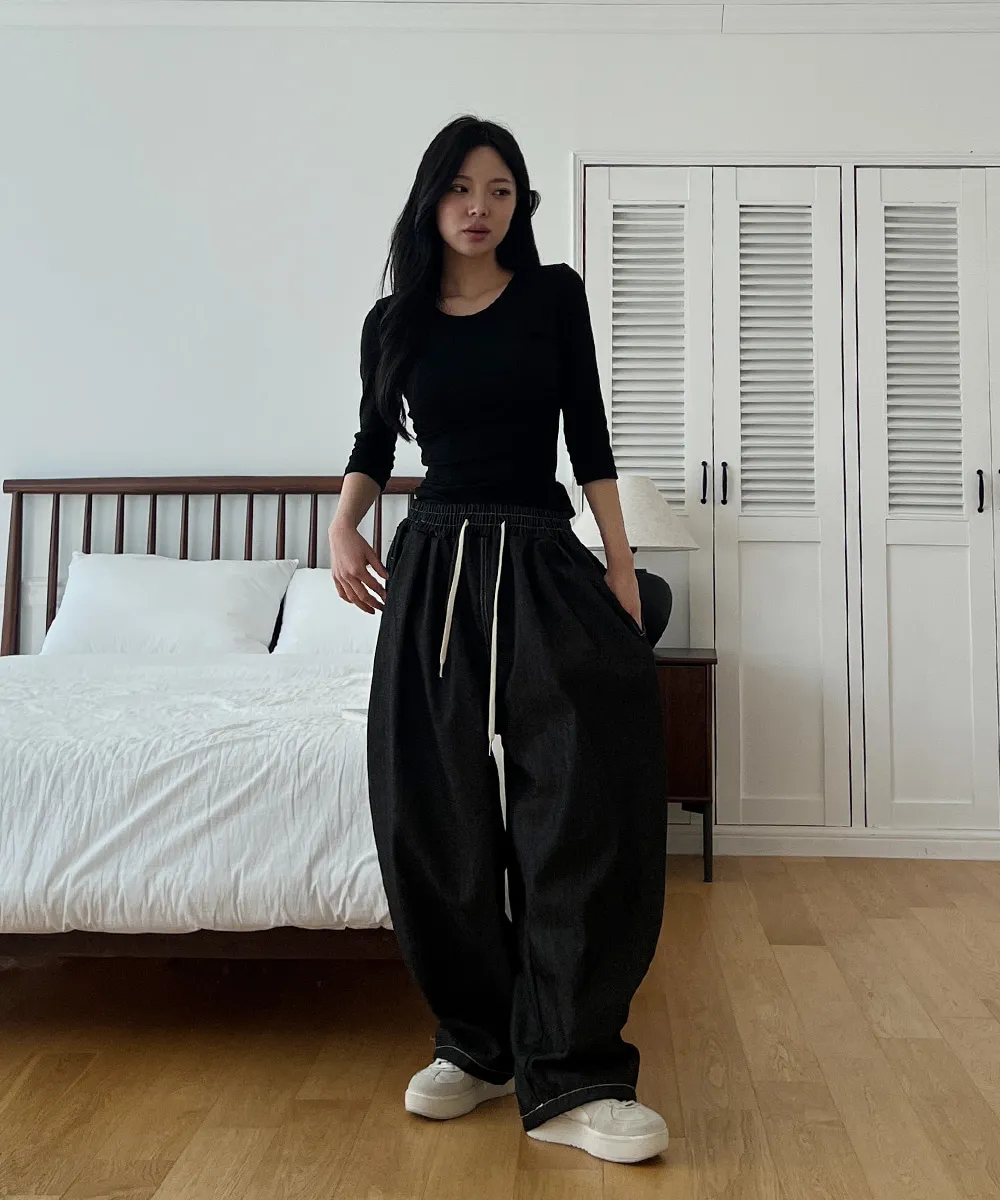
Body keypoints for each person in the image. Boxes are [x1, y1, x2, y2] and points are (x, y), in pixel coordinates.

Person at [329, 115, 669, 1165]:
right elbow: (373, 441)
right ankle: (476, 1046)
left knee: (579, 800)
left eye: (501, 190)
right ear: (430, 199)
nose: (480, 207)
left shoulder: (554, 296)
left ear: (520, 206)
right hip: (432, 566)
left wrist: (620, 564)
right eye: (460, 188)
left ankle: (573, 1071)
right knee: (431, 808)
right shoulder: (393, 320)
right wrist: (343, 525)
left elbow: (589, 433)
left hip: (536, 554)